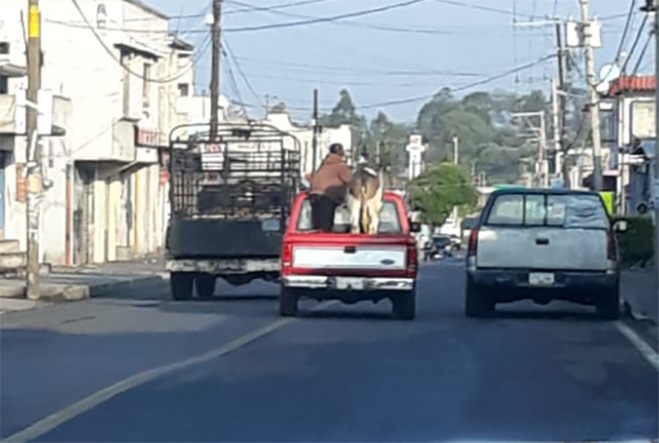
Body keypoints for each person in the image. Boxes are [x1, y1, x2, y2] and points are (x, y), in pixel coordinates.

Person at [307, 143, 352, 232]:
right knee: (325, 226)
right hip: (327, 195)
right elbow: (349, 180)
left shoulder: (324, 164)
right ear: (340, 152)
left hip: (314, 194)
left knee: (316, 225)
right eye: (342, 150)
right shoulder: (340, 166)